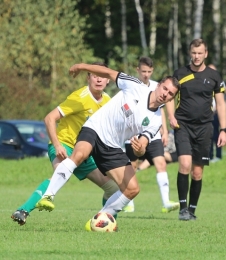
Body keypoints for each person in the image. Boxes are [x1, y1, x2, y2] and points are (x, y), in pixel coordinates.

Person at [36, 63, 180, 229]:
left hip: (112, 146)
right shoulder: (135, 85)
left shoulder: (155, 121)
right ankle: (48, 196)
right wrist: (82, 66)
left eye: (170, 94)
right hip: (95, 128)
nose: (165, 94)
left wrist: (139, 149)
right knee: (80, 154)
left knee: (133, 189)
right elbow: (108, 72)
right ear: (159, 85)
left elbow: (143, 144)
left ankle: (102, 218)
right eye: (165, 89)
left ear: (171, 99)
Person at [11, 62, 119, 225]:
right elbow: (49, 118)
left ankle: (106, 223)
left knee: (113, 189)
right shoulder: (79, 98)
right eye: (94, 75)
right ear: (88, 77)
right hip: (65, 145)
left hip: (84, 152)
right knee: (60, 176)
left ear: (108, 80)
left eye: (103, 76)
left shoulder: (108, 101)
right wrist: (57, 145)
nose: (99, 80)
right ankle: (23, 210)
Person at [166, 39, 226, 221]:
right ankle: (182, 209)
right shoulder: (180, 73)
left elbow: (221, 104)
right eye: (194, 53)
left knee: (198, 172)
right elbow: (169, 97)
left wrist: (223, 129)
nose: (196, 56)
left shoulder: (215, 76)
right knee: (184, 164)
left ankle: (192, 210)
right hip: (182, 125)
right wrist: (171, 116)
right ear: (190, 53)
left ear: (206, 54)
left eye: (200, 53)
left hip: (205, 127)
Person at [123, 57, 179, 213]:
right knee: (132, 166)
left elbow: (162, 107)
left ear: (152, 71)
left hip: (153, 133)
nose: (146, 75)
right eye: (143, 71)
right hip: (133, 133)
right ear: (137, 70)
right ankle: (129, 203)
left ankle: (166, 202)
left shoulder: (158, 87)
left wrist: (165, 130)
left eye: (149, 71)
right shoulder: (132, 86)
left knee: (161, 163)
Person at [208, 64, 222, 162]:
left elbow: (221, 100)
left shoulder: (219, 82)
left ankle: (218, 155)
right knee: (207, 135)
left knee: (216, 134)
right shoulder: (204, 82)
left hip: (215, 113)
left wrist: (216, 109)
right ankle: (209, 155)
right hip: (206, 114)